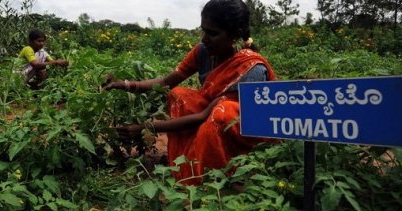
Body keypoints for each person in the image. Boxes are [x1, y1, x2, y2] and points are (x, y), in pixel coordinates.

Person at [102, 0, 278, 185]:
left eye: (212, 33)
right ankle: (189, 165)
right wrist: (127, 85)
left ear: (235, 35)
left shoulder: (250, 69)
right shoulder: (204, 51)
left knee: (221, 113)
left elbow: (205, 116)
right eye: (203, 30)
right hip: (209, 121)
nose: (204, 39)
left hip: (238, 135)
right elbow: (166, 82)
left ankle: (221, 177)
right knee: (180, 95)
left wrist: (147, 127)